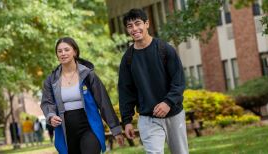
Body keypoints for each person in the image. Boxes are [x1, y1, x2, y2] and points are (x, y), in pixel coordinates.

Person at [118, 8, 188, 154]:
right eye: (130, 26)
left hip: (174, 114)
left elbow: (179, 81)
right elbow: (126, 92)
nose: (135, 29)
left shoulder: (165, 49)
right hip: (148, 118)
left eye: (138, 24)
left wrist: (168, 102)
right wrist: (127, 121)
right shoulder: (128, 59)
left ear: (147, 24)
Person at [41, 37, 124, 154]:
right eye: (59, 51)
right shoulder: (51, 79)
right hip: (65, 129)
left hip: (89, 126)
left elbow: (103, 102)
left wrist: (116, 129)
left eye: (66, 50)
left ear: (74, 51)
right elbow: (47, 102)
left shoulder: (88, 75)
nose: (63, 53)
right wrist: (51, 116)